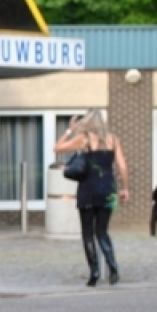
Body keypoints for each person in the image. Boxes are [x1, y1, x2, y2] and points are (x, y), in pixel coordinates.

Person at [53, 109, 129, 286]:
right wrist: (125, 188)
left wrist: (70, 131)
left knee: (88, 232)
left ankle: (94, 272)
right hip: (108, 190)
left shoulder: (84, 139)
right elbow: (123, 166)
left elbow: (57, 148)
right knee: (102, 231)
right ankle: (113, 269)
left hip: (88, 190)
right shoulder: (113, 139)